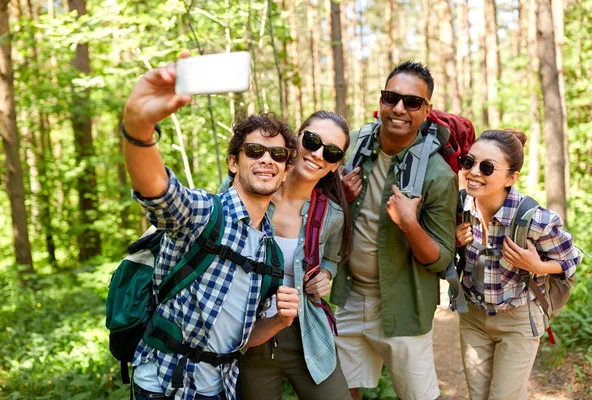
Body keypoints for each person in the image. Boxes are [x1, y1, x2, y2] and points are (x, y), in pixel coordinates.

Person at [121, 51, 301, 400]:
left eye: (277, 155)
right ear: (234, 162)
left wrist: (279, 321)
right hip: (162, 385)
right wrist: (138, 127)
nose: (267, 159)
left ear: (284, 170)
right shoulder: (204, 213)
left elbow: (243, 339)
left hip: (219, 390)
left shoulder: (271, 253)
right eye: (254, 151)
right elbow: (157, 192)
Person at [330, 60, 457, 400]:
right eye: (391, 98)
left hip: (404, 306)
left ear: (426, 111)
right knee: (339, 391)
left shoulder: (438, 176)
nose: (399, 108)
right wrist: (339, 196)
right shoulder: (352, 146)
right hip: (348, 296)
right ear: (381, 101)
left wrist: (410, 225)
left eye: (412, 102)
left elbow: (441, 258)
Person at [455, 129, 581, 400]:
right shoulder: (460, 206)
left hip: (518, 321)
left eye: (487, 167)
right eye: (469, 162)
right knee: (478, 396)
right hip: (473, 317)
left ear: (511, 178)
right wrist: (455, 241)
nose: (474, 172)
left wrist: (538, 265)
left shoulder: (536, 220)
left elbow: (571, 258)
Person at [238, 111, 353, 400]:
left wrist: (326, 275)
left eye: (331, 151)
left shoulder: (332, 215)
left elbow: (331, 259)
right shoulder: (249, 191)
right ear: (295, 139)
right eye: (312, 141)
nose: (317, 153)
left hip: (307, 333)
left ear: (335, 165)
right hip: (248, 338)